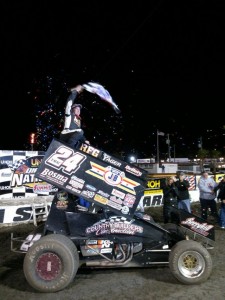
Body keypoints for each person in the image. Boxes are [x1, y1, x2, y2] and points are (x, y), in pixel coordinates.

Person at [60, 85, 89, 149]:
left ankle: (72, 148)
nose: (79, 110)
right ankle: (70, 148)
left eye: (79, 110)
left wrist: (85, 140)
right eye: (77, 109)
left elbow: (78, 133)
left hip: (71, 136)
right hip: (65, 135)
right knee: (80, 131)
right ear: (73, 109)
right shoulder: (69, 114)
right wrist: (75, 91)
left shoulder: (78, 121)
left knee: (80, 132)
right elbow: (69, 104)